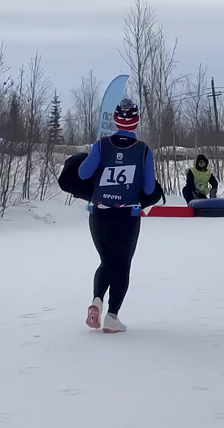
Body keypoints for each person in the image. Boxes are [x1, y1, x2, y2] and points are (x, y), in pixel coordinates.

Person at [77, 98, 156, 333]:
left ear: (115, 120)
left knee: (107, 262)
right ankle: (112, 316)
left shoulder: (101, 145)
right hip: (127, 216)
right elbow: (150, 189)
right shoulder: (143, 151)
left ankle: (96, 301)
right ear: (136, 122)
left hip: (100, 215)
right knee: (122, 265)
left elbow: (83, 173)